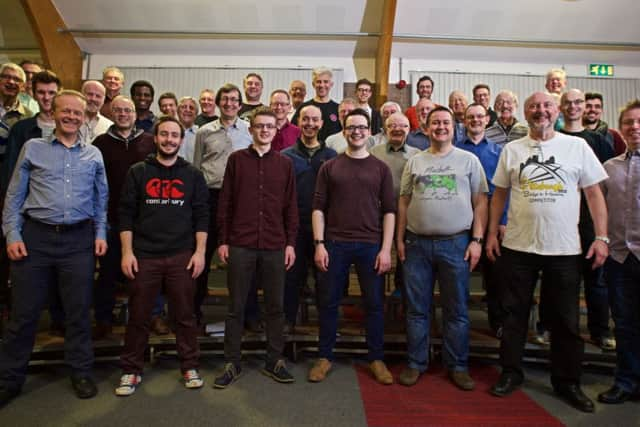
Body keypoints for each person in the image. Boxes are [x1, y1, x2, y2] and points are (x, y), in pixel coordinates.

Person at [486, 92, 609, 413]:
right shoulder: (512, 150)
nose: (540, 111)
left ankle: (567, 381)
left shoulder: (577, 147)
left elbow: (594, 195)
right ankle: (511, 372)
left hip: (565, 249)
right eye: (534, 107)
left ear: (556, 111)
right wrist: (489, 234)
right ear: (525, 114)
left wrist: (603, 237)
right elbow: (498, 195)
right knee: (513, 316)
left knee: (566, 320)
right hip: (517, 247)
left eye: (546, 106)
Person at [0, 90, 108, 407]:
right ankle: (9, 379)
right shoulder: (33, 148)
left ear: (85, 115)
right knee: (24, 313)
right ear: (54, 111)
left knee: (77, 312)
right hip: (36, 238)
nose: (72, 117)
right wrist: (11, 234)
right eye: (66, 111)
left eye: (78, 112)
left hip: (78, 241)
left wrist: (101, 233)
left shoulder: (93, 155)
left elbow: (102, 201)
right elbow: (13, 196)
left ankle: (81, 372)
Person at [116, 115, 209, 396]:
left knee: (184, 315)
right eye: (164, 135)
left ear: (181, 141)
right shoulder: (138, 171)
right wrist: (127, 253)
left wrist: (201, 253)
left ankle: (189, 365)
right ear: (155, 138)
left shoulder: (192, 174)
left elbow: (202, 216)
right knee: (139, 316)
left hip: (181, 255)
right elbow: (125, 215)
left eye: (174, 136)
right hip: (145, 255)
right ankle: (131, 370)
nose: (169, 140)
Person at [396, 106, 488, 390]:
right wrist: (399, 239)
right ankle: (415, 362)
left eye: (445, 122)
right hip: (417, 245)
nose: (440, 127)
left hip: (456, 243)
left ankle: (457, 365)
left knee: (456, 309)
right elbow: (403, 202)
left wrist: (477, 240)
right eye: (435, 122)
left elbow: (481, 202)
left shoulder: (469, 161)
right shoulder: (414, 161)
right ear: (426, 127)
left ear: (454, 127)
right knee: (416, 309)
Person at [309, 108, 396, 385]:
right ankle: (324, 356)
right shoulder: (329, 167)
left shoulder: (380, 168)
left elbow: (390, 212)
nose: (356, 131)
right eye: (351, 127)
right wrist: (319, 244)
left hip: (371, 245)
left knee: (373, 304)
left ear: (369, 131)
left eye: (361, 127)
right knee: (329, 303)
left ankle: (376, 358)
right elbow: (318, 208)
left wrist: (385, 249)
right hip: (335, 244)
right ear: (344, 131)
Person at [213, 107, 298, 388]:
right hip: (241, 243)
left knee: (275, 307)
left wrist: (290, 244)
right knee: (235, 306)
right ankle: (232, 361)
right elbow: (225, 202)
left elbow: (291, 208)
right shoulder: (236, 161)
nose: (264, 130)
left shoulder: (284, 164)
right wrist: (223, 240)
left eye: (269, 127)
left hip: (275, 244)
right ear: (250, 130)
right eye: (259, 126)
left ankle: (274, 360)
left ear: (276, 131)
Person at [92, 96, 156, 339]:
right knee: (108, 273)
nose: (123, 114)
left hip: (145, 221)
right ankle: (104, 319)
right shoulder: (100, 143)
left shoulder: (149, 142)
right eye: (118, 110)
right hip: (110, 218)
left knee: (146, 274)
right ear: (111, 112)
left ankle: (149, 318)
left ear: (134, 114)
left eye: (127, 110)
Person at [192, 83, 255, 329]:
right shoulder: (203, 132)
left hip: (240, 201)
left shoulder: (250, 131)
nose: (229, 103)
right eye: (225, 99)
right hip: (210, 198)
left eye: (233, 99)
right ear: (218, 103)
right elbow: (197, 168)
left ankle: (247, 315)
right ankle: (194, 312)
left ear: (240, 105)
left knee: (243, 260)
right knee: (202, 257)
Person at [559, 89, 615, 350]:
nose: (573, 107)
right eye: (567, 103)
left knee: (597, 278)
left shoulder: (598, 141)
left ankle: (600, 330)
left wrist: (604, 230)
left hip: (589, 220)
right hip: (562, 220)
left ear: (584, 108)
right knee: (561, 280)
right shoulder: (555, 140)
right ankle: (556, 329)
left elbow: (605, 186)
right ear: (561, 107)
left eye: (578, 102)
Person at [598, 99, 640, 405]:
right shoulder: (609, 168)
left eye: (639, 122)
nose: (634, 128)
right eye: (628, 123)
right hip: (620, 257)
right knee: (624, 323)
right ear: (620, 128)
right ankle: (626, 381)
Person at [281, 105, 336, 331]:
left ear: (322, 123)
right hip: (294, 228)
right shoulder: (285, 157)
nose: (310, 124)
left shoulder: (332, 157)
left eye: (315, 120)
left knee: (325, 281)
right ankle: (286, 329)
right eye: (306, 119)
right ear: (299, 122)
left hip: (325, 230)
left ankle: (326, 330)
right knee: (291, 281)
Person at [456, 103, 507, 336]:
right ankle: (458, 324)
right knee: (457, 277)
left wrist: (502, 222)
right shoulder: (455, 150)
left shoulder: (499, 153)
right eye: (470, 117)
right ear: (464, 121)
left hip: (492, 224)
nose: (475, 120)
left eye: (479, 116)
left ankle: (498, 323)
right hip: (462, 222)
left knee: (496, 277)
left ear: (487, 120)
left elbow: (504, 191)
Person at [370, 112, 419, 302]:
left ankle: (401, 290)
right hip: (377, 213)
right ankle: (375, 293)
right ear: (385, 129)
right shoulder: (374, 152)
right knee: (377, 253)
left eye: (403, 126)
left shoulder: (417, 155)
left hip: (407, 213)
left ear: (409, 129)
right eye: (392, 126)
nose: (397, 129)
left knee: (405, 255)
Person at [291, 67, 341, 141]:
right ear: (313, 84)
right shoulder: (304, 107)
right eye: (318, 82)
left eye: (325, 82)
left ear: (331, 84)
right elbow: (293, 131)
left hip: (332, 151)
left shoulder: (338, 108)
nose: (322, 85)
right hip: (307, 151)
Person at [79, 80, 113, 144]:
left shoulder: (109, 126)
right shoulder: (69, 120)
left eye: (98, 96)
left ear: (103, 100)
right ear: (81, 95)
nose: (93, 99)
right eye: (90, 94)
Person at [177, 96, 199, 163]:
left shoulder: (200, 134)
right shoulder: (171, 132)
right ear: (178, 111)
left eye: (191, 108)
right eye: (184, 107)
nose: (188, 110)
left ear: (196, 114)